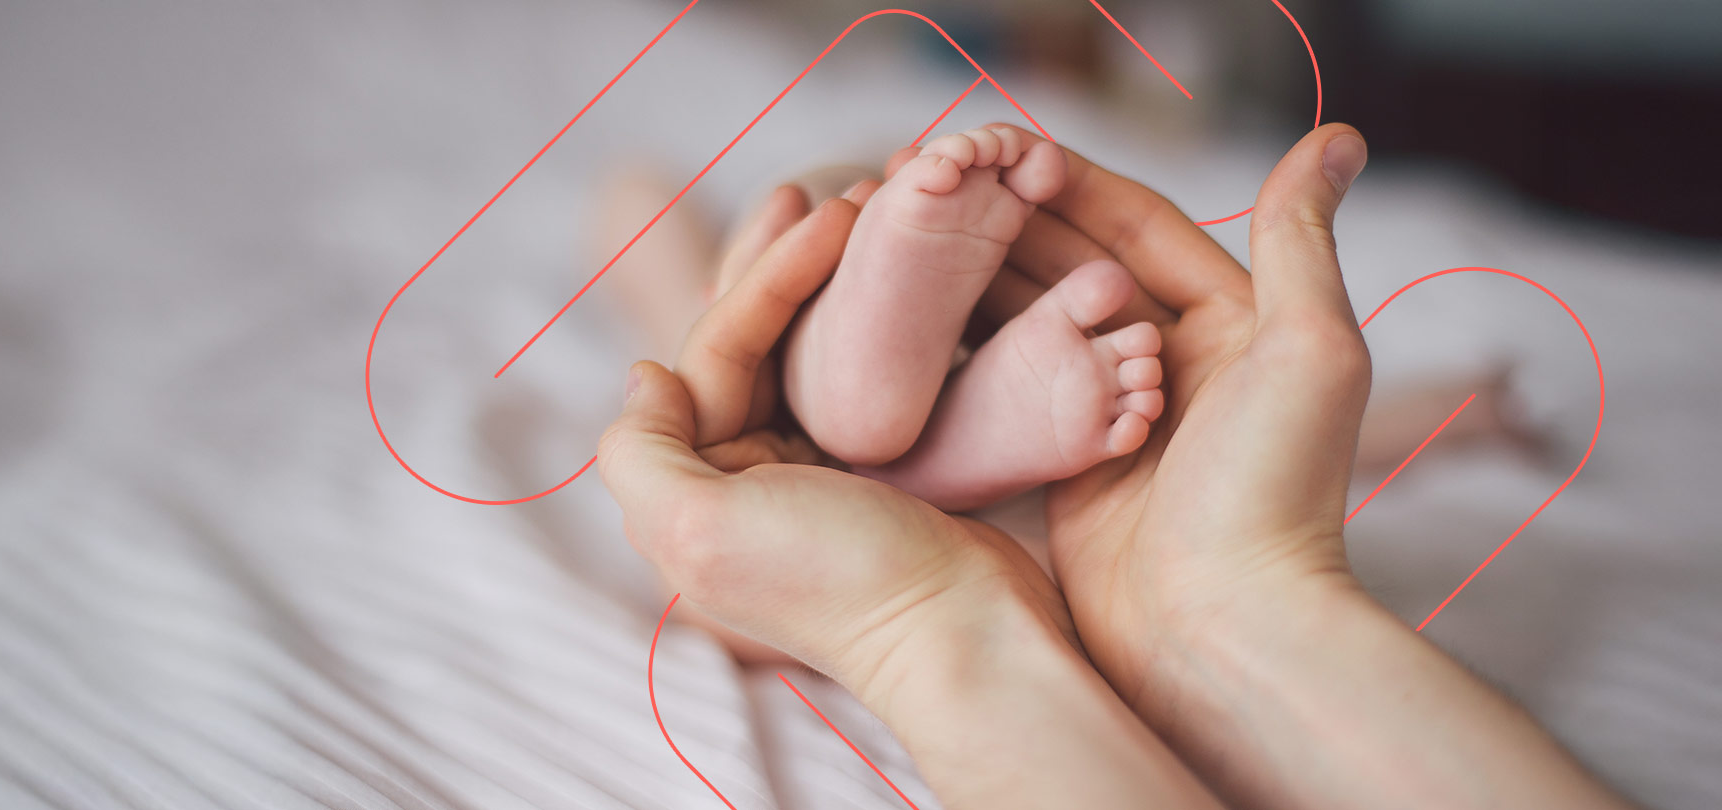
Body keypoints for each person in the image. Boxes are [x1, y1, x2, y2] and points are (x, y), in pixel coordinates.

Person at [595, 124, 1633, 808]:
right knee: (809, 258)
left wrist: (645, 223)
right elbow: (1356, 429)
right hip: (1066, 503)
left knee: (738, 311)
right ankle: (901, 414)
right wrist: (1466, 408)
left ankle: (859, 397)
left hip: (826, 504)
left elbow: (638, 212)